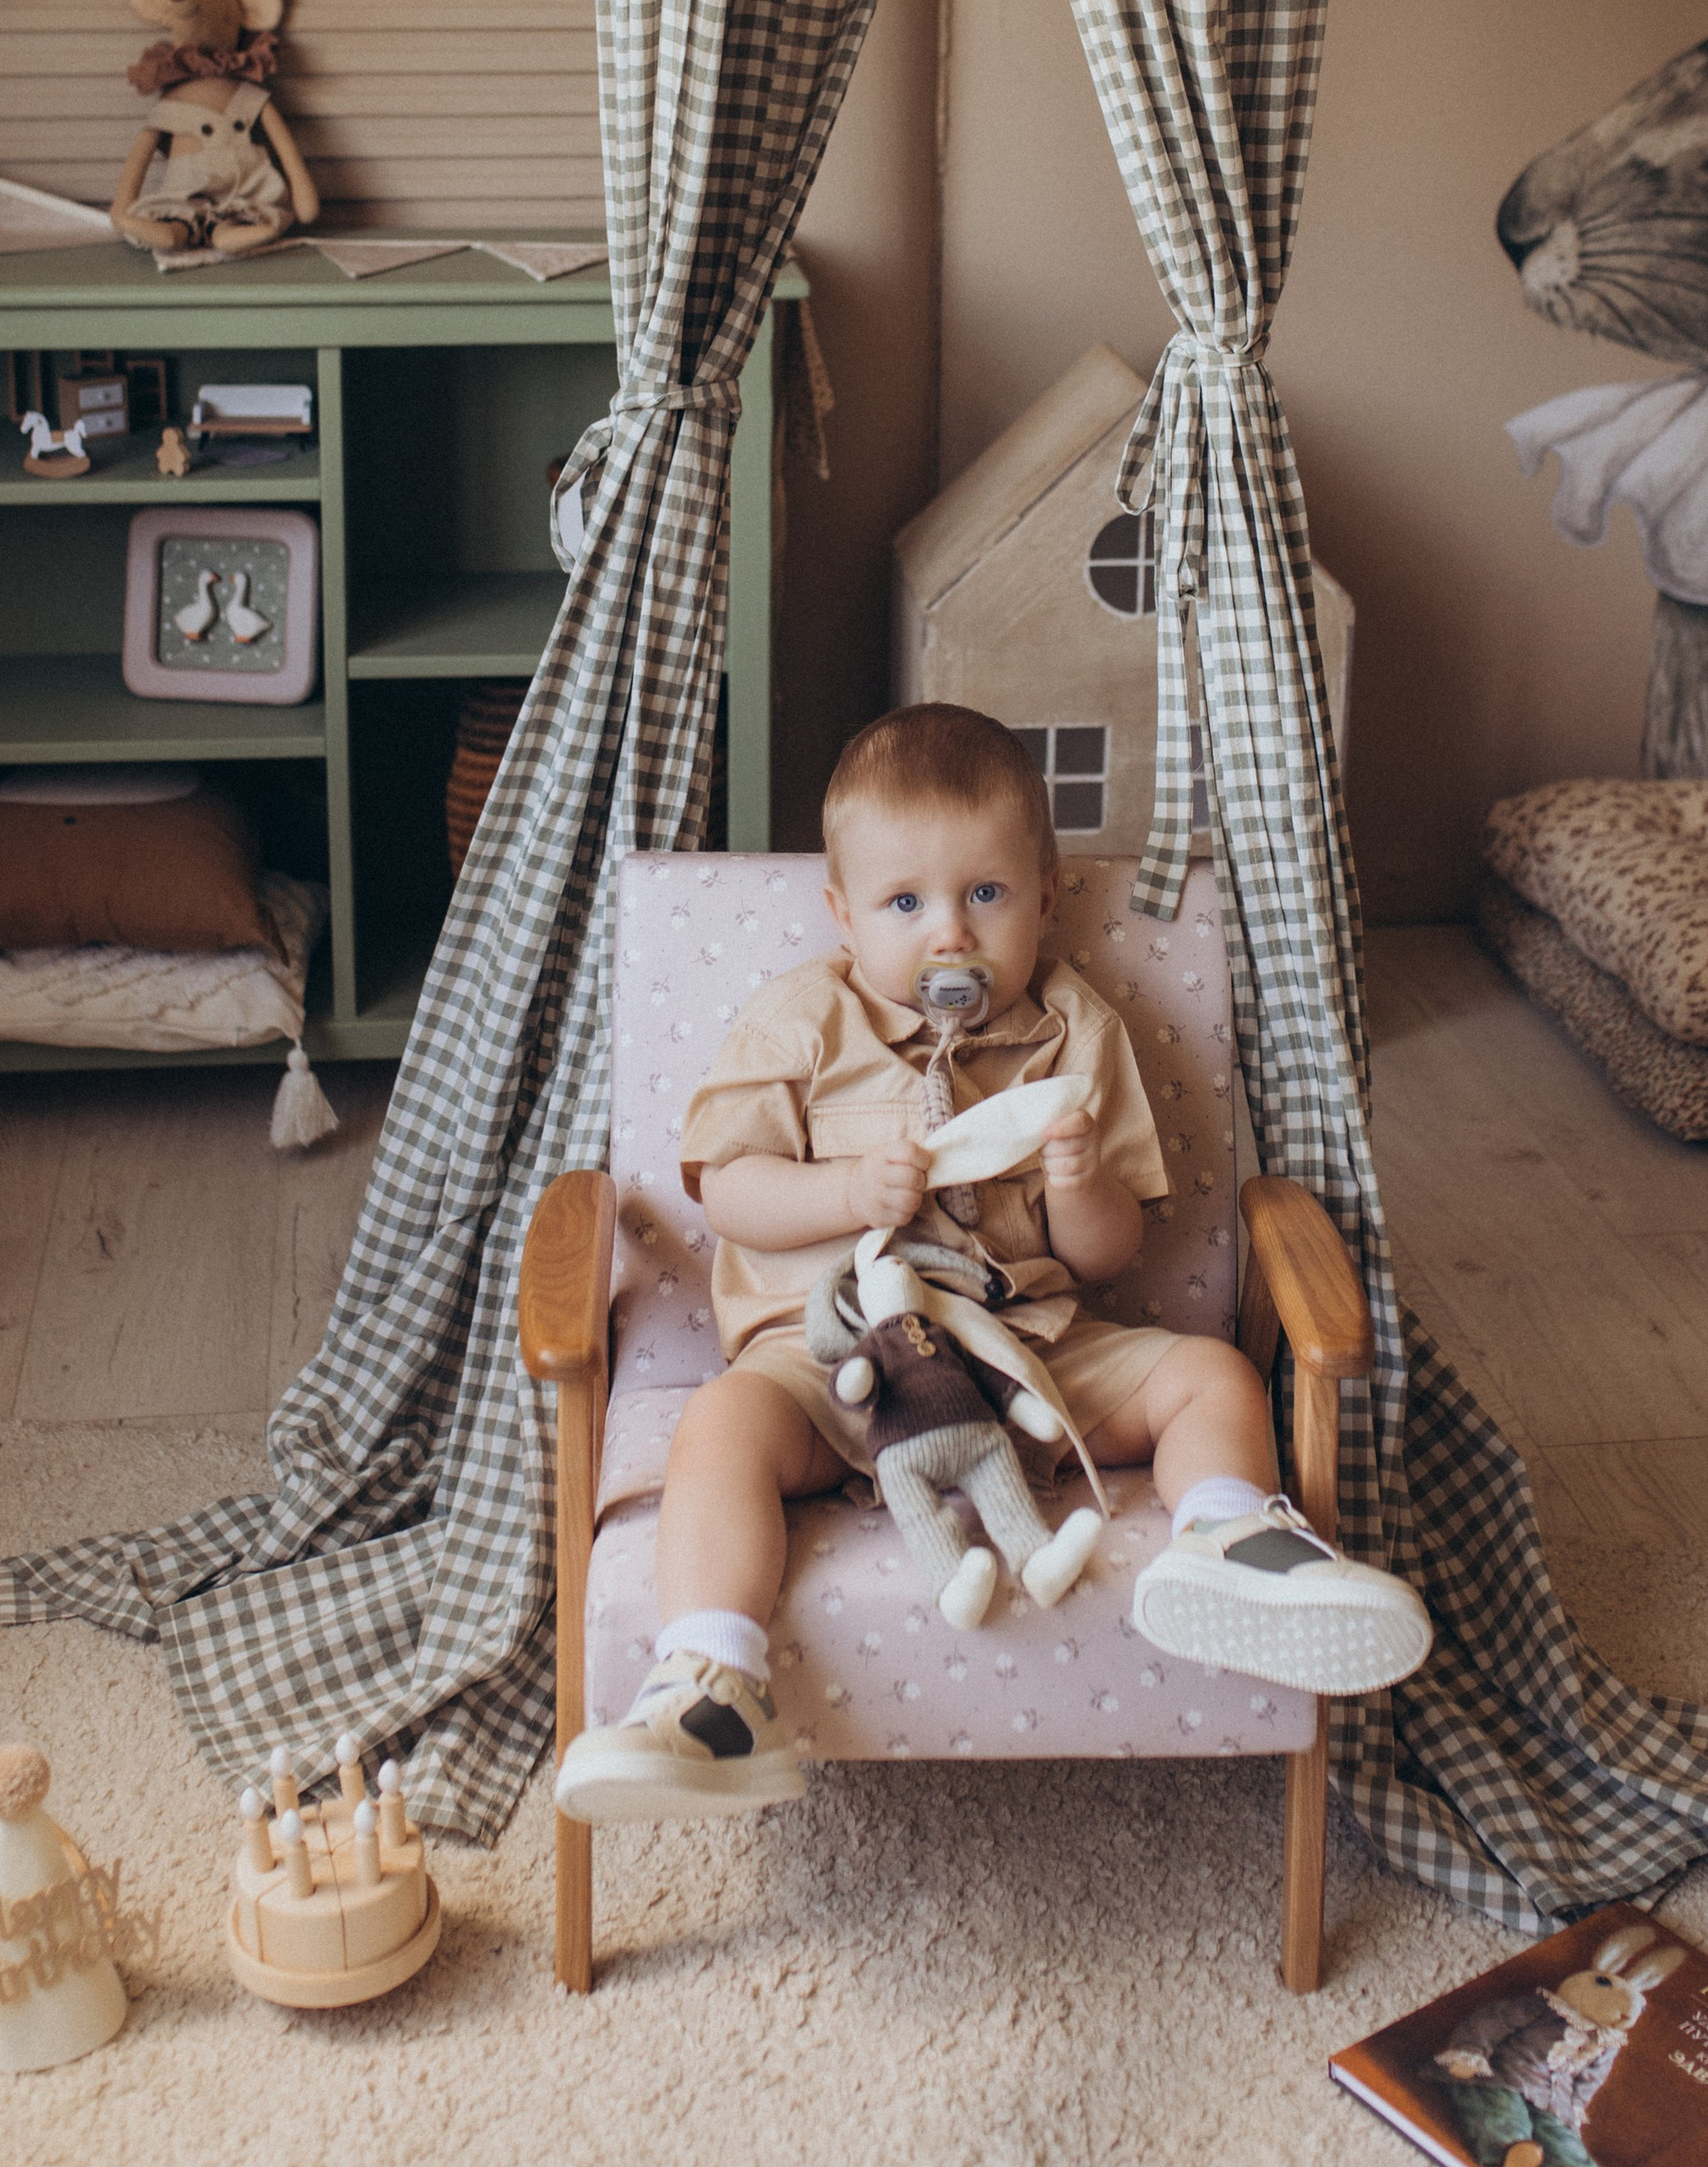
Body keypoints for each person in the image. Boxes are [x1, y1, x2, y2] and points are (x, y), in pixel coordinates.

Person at [555, 704, 1432, 1823]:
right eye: (905, 904)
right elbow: (725, 1188)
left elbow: (1108, 1252)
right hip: (836, 1371)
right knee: (720, 1424)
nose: (949, 937)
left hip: (1028, 1357)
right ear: (842, 912)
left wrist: (1079, 1180)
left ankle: (1233, 1539)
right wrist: (844, 1191)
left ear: (1046, 897)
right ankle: (711, 1685)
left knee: (1208, 1376)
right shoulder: (803, 1021)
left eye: (985, 894)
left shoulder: (1076, 1032)